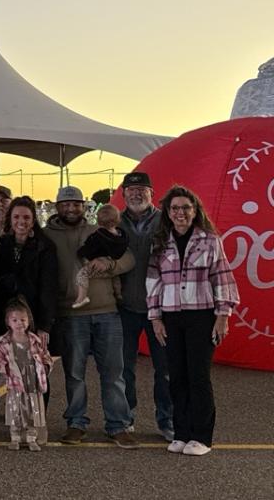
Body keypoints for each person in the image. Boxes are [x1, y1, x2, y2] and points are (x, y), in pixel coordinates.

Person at [147, 186, 239, 456]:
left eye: (186, 208)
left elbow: (221, 277)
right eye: (175, 208)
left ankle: (202, 437)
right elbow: (153, 282)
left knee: (198, 376)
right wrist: (155, 318)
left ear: (195, 210)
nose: (180, 213)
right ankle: (181, 433)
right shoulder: (160, 242)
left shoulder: (210, 240)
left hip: (202, 315)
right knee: (176, 376)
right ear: (167, 212)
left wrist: (223, 316)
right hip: (171, 316)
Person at [44, 185, 138, 448]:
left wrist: (109, 264)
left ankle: (118, 425)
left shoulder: (98, 231)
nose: (71, 208)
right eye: (65, 204)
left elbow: (128, 258)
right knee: (74, 374)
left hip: (107, 311)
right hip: (70, 315)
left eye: (76, 204)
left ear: (84, 206)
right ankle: (76, 423)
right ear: (57, 207)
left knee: (113, 373)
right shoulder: (46, 236)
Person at [116, 171, 174, 441]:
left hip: (160, 310)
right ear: (124, 193)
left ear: (152, 193)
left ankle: (167, 420)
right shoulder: (114, 222)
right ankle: (126, 417)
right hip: (124, 307)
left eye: (142, 189)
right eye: (131, 190)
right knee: (124, 367)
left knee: (164, 369)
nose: (136, 194)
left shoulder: (167, 220)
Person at [0, 196, 59, 411]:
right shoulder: (1, 244)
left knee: (36, 367)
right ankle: (17, 416)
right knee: (11, 368)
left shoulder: (45, 246)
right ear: (10, 219)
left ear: (34, 219)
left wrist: (45, 325)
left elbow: (49, 287)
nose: (22, 221)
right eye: (17, 216)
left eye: (27, 217)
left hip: (34, 315)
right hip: (6, 315)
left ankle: (38, 417)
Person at [0, 298, 53, 451]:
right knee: (16, 410)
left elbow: (45, 355)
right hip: (15, 382)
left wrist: (45, 365)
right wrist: (5, 369)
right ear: (8, 322)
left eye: (23, 320)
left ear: (28, 320)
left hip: (32, 381)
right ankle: (15, 437)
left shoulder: (34, 340)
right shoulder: (4, 342)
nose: (19, 323)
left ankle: (32, 437)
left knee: (33, 410)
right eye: (15, 320)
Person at [73, 203, 128, 309]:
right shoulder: (122, 235)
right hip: (112, 260)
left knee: (81, 275)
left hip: (97, 261)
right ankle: (118, 294)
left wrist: (82, 253)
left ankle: (82, 297)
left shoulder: (99, 235)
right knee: (115, 277)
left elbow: (90, 246)